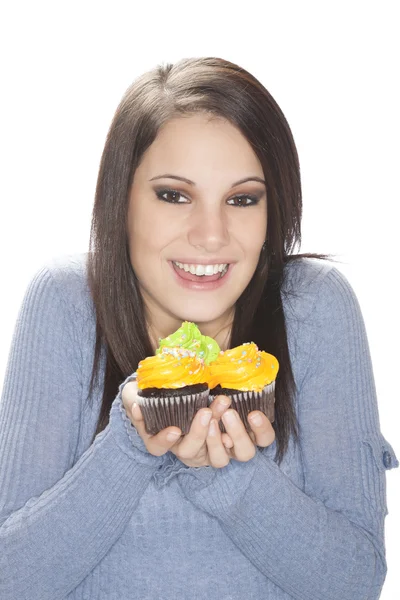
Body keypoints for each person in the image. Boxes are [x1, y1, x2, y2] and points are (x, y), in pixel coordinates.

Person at [0, 56, 397, 600]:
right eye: (174, 195)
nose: (211, 236)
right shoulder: (66, 302)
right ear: (122, 203)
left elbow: (354, 582)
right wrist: (129, 444)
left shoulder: (315, 306)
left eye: (241, 199)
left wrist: (230, 475)